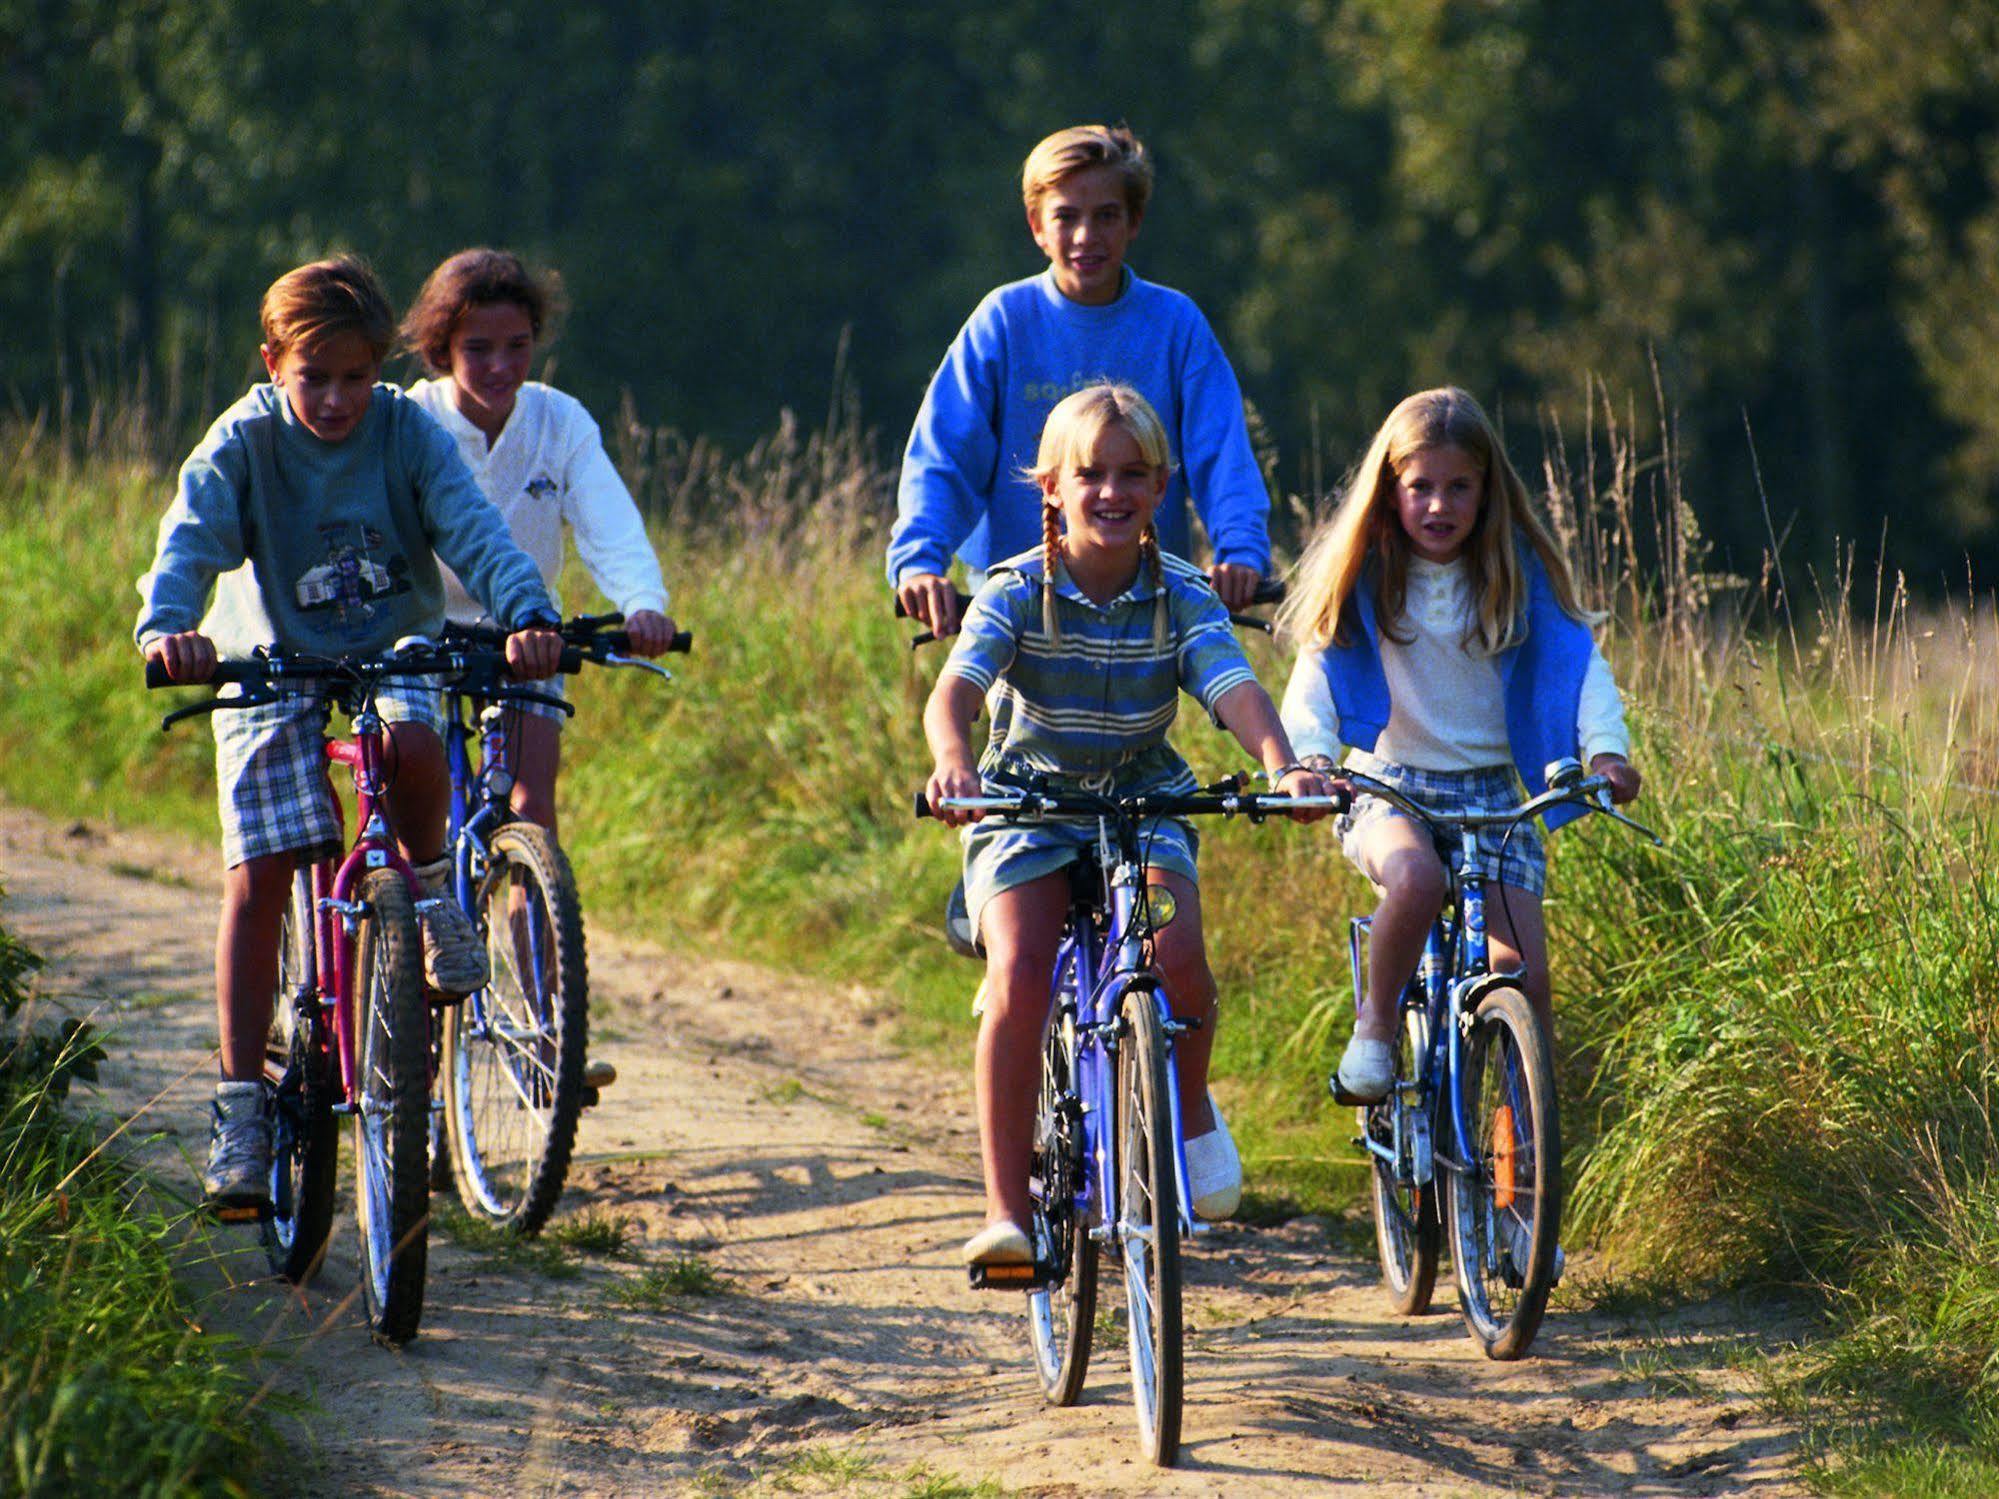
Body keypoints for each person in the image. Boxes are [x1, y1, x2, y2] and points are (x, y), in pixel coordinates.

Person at [136, 254, 563, 1217]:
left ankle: (420, 895)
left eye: (356, 377)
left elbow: (475, 531)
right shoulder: (244, 440)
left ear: (382, 369)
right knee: (263, 869)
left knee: (417, 748)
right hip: (267, 651)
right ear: (272, 362)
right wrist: (169, 628)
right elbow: (191, 537)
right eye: (312, 377)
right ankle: (242, 1101)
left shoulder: (407, 431)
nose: (335, 399)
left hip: (388, 642)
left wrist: (526, 610)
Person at [922, 383, 1331, 1267]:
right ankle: (1007, 1214)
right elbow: (952, 690)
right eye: (1090, 474)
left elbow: (1232, 689)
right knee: (1021, 967)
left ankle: (1185, 1111)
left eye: (1133, 474)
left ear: (1159, 489)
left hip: (1142, 794)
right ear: (1050, 488)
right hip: (1026, 799)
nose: (1111, 492)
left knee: (1175, 941)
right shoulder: (1015, 588)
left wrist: (1281, 764)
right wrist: (954, 763)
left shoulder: (1180, 592)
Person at [1275, 387, 1642, 1105]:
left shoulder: (1513, 575)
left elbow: (1577, 670)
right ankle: (1375, 1030)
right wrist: (1309, 763)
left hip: (1494, 796)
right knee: (1415, 882)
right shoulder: (1367, 579)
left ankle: (1519, 1138)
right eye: (1420, 488)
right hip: (1387, 786)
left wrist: (1604, 752)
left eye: (1457, 488)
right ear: (1390, 490)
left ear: (1486, 491)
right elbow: (1318, 673)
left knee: (1523, 976)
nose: (1438, 506)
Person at [889, 124, 1272, 638]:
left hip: (1144, 606)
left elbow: (1222, 455)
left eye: (1106, 216)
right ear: (1036, 226)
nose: (1086, 236)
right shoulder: (1003, 321)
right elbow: (945, 455)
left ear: (1134, 220)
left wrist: (1240, 553)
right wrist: (919, 561)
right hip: (1018, 606)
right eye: (1066, 216)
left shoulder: (1176, 324)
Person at [400, 248, 676, 836]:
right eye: (477, 349)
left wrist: (644, 605)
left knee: (530, 807)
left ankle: (532, 917)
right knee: (417, 818)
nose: (500, 366)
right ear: (441, 349)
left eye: (518, 346)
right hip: (420, 636)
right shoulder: (409, 421)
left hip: (526, 635)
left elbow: (610, 524)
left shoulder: (560, 421)